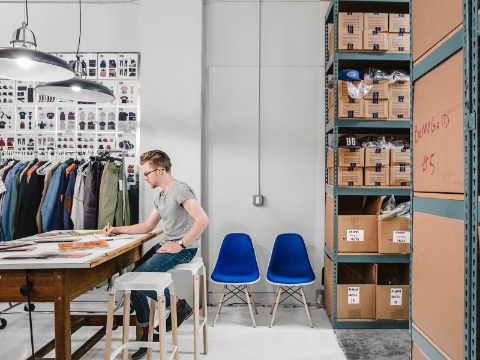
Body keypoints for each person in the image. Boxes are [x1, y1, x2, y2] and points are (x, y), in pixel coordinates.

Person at [103, 150, 209, 360]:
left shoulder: (180, 190)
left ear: (160, 170)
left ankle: (179, 306)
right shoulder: (161, 195)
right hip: (166, 244)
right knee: (133, 282)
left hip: (183, 249)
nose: (145, 178)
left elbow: (203, 220)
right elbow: (147, 226)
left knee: (137, 281)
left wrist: (180, 244)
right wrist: (117, 229)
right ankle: (146, 335)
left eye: (147, 173)